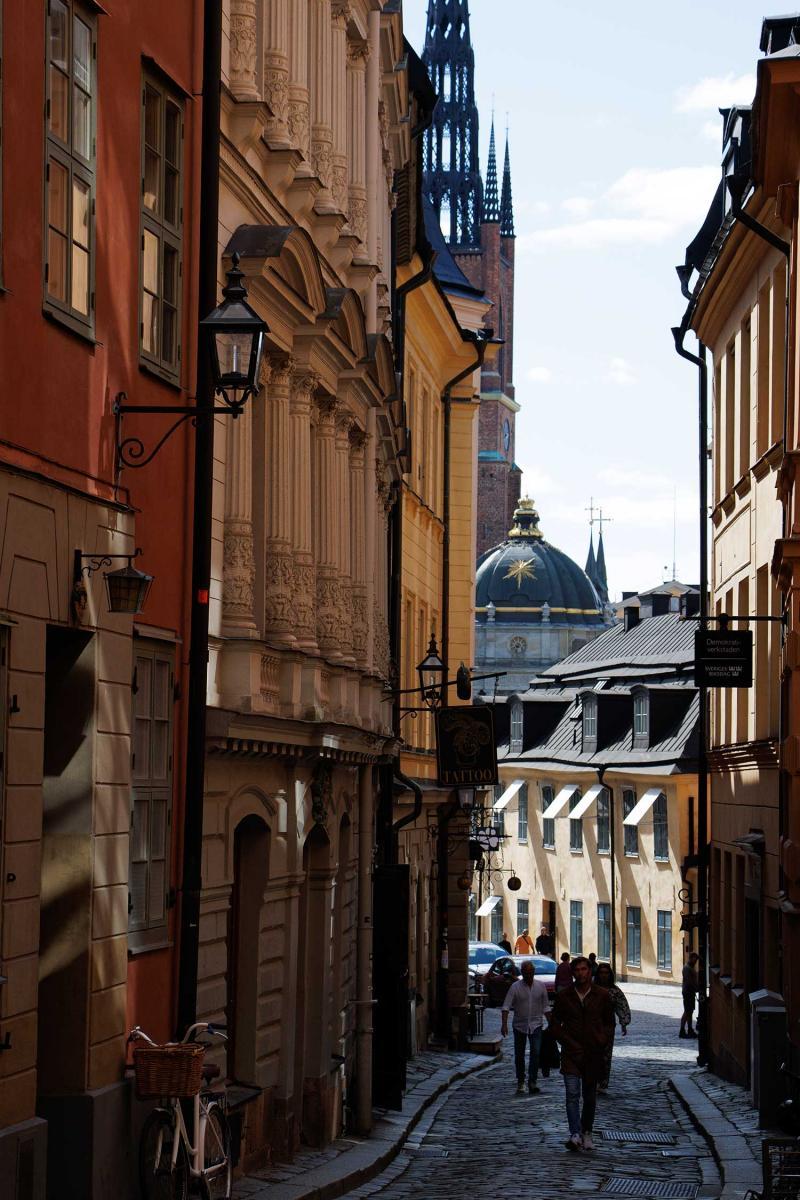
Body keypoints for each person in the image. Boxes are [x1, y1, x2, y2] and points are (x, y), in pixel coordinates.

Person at [549, 955, 614, 1152]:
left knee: (589, 1096)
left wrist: (602, 1040)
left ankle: (587, 1132)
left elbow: (609, 1022)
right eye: (577, 970)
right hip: (571, 1052)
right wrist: (565, 1040)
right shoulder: (564, 996)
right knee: (572, 1094)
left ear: (589, 971)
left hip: (593, 1052)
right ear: (573, 973)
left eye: (584, 969)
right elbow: (555, 1024)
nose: (581, 973)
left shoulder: (602, 995)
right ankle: (575, 1133)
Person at [500, 959, 549, 1095]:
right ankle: (521, 1081)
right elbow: (506, 1006)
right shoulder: (515, 987)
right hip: (519, 1025)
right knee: (519, 1055)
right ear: (522, 973)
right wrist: (504, 1024)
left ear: (533, 972)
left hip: (536, 1024)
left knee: (536, 1053)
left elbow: (546, 1006)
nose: (528, 975)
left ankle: (532, 1081)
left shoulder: (541, 986)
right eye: (526, 973)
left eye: (531, 972)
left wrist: (552, 1023)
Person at [594, 963, 630, 1090]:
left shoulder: (615, 991)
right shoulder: (592, 989)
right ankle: (593, 1080)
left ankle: (603, 1081)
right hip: (592, 1026)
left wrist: (623, 1023)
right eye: (602, 973)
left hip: (608, 1026)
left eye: (606, 973)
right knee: (593, 1054)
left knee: (606, 1055)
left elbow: (622, 1006)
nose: (604, 975)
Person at [680, 953, 700, 1039]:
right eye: (695, 959)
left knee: (690, 1011)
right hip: (688, 992)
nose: (696, 961)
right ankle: (682, 1030)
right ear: (691, 958)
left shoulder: (690, 967)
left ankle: (690, 1029)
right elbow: (689, 982)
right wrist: (696, 988)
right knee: (687, 1011)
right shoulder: (687, 968)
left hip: (690, 992)